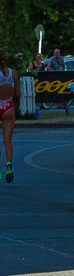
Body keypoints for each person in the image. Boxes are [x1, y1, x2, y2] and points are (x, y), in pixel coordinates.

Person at [0, 50, 20, 182]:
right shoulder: (13, 73)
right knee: (7, 140)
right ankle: (9, 164)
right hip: (9, 107)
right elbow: (18, 94)